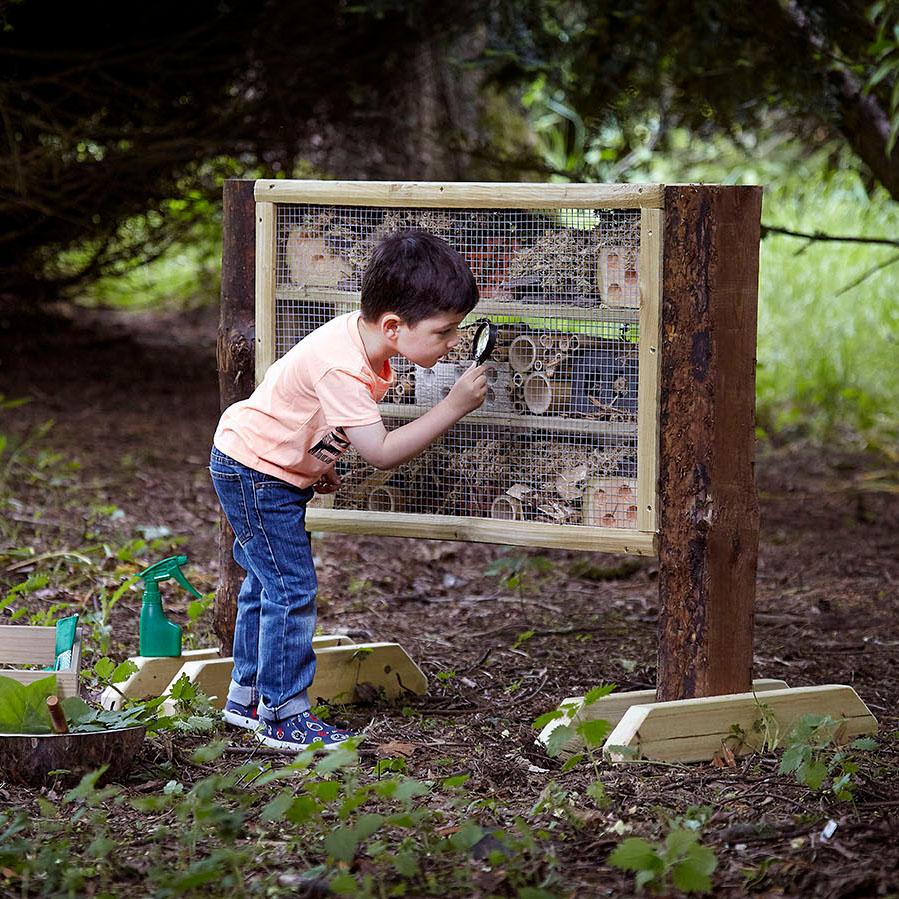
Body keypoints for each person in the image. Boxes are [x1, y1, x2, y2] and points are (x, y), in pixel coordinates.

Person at [209, 229, 487, 751]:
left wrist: (317, 463)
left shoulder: (361, 340)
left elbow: (314, 416)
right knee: (291, 590)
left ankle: (246, 698)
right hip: (255, 470)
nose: (453, 343)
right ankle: (283, 714)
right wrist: (451, 407)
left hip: (265, 464)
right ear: (393, 326)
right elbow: (380, 450)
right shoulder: (344, 364)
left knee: (263, 584)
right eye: (446, 332)